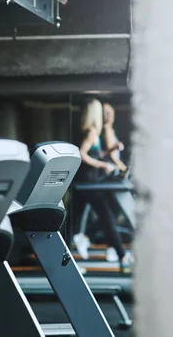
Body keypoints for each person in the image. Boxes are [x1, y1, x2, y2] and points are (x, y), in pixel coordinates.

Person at [72, 98, 130, 266]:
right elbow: (82, 154)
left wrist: (109, 151)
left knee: (73, 224)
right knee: (105, 215)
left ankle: (82, 241)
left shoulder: (92, 133)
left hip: (90, 182)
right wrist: (102, 164)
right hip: (89, 183)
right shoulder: (91, 132)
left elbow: (95, 153)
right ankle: (121, 254)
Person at [102, 103, 128, 173]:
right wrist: (123, 168)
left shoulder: (108, 128)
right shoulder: (107, 129)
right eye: (108, 113)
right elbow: (111, 154)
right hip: (112, 167)